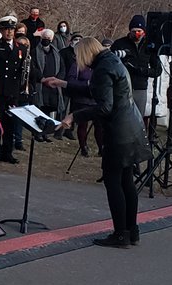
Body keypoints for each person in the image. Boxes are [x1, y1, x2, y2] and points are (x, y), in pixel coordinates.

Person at [56, 37, 148, 249]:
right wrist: (64, 84)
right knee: (126, 181)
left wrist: (74, 116)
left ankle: (120, 234)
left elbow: (105, 106)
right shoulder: (113, 62)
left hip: (118, 132)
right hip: (131, 126)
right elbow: (96, 89)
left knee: (113, 181)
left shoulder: (103, 68)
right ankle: (132, 230)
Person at [0, 16, 27, 163]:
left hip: (12, 91)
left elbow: (25, 68)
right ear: (1, 31)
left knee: (10, 123)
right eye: (6, 29)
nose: (9, 32)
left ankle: (8, 152)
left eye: (11, 29)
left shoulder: (21, 48)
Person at [111, 15, 161, 131]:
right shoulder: (120, 44)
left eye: (139, 31)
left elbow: (157, 70)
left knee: (138, 119)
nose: (137, 34)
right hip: (122, 87)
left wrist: (142, 71)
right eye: (134, 31)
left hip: (140, 88)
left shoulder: (149, 46)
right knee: (121, 118)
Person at [31, 28, 66, 141]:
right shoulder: (34, 52)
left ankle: (45, 132)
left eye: (48, 38)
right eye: (44, 38)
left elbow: (62, 68)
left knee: (49, 110)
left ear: (52, 39)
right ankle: (37, 132)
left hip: (54, 86)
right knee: (39, 109)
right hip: (41, 85)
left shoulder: (56, 53)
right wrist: (43, 79)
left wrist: (57, 80)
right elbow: (33, 67)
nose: (46, 40)